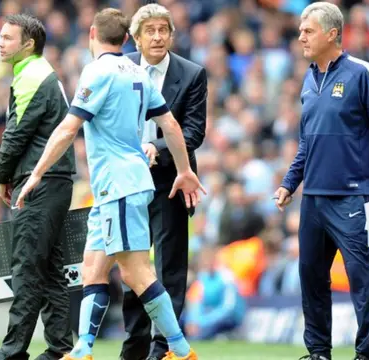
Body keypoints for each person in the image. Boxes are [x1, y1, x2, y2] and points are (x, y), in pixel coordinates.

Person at [14, 8, 205, 360]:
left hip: (120, 186)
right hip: (118, 187)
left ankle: (180, 349)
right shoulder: (137, 72)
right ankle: (83, 348)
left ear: (91, 34)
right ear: (128, 39)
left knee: (136, 273)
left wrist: (37, 172)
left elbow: (68, 129)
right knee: (93, 268)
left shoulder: (97, 71)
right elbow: (172, 126)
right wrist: (183, 169)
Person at [273, 3, 369, 360]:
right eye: (300, 29)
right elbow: (307, 142)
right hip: (312, 199)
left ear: (332, 34)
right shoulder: (308, 79)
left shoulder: (362, 73)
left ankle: (366, 353)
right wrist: (289, 183)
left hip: (351, 198)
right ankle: (318, 353)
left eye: (308, 30)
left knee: (361, 279)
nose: (300, 35)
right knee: (311, 279)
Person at [121, 4, 207, 360]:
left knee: (169, 266)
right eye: (150, 31)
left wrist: (156, 147)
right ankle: (135, 344)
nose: (157, 37)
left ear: (172, 35)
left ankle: (164, 346)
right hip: (127, 179)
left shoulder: (191, 74)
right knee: (131, 264)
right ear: (136, 38)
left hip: (171, 179)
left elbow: (193, 132)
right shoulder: (119, 70)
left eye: (163, 30)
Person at [0, 14, 76, 360]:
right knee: (51, 269)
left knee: (26, 266)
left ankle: (12, 352)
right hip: (56, 181)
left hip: (39, 184)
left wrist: (0, 176)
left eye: (8, 37)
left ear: (28, 44)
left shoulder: (32, 75)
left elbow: (16, 133)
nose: (0, 42)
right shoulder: (41, 72)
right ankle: (60, 350)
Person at [183, 246, 246, 341]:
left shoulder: (227, 277)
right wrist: (193, 321)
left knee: (199, 335)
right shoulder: (202, 277)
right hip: (207, 316)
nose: (206, 262)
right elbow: (196, 302)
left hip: (228, 318)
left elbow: (228, 308)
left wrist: (203, 322)